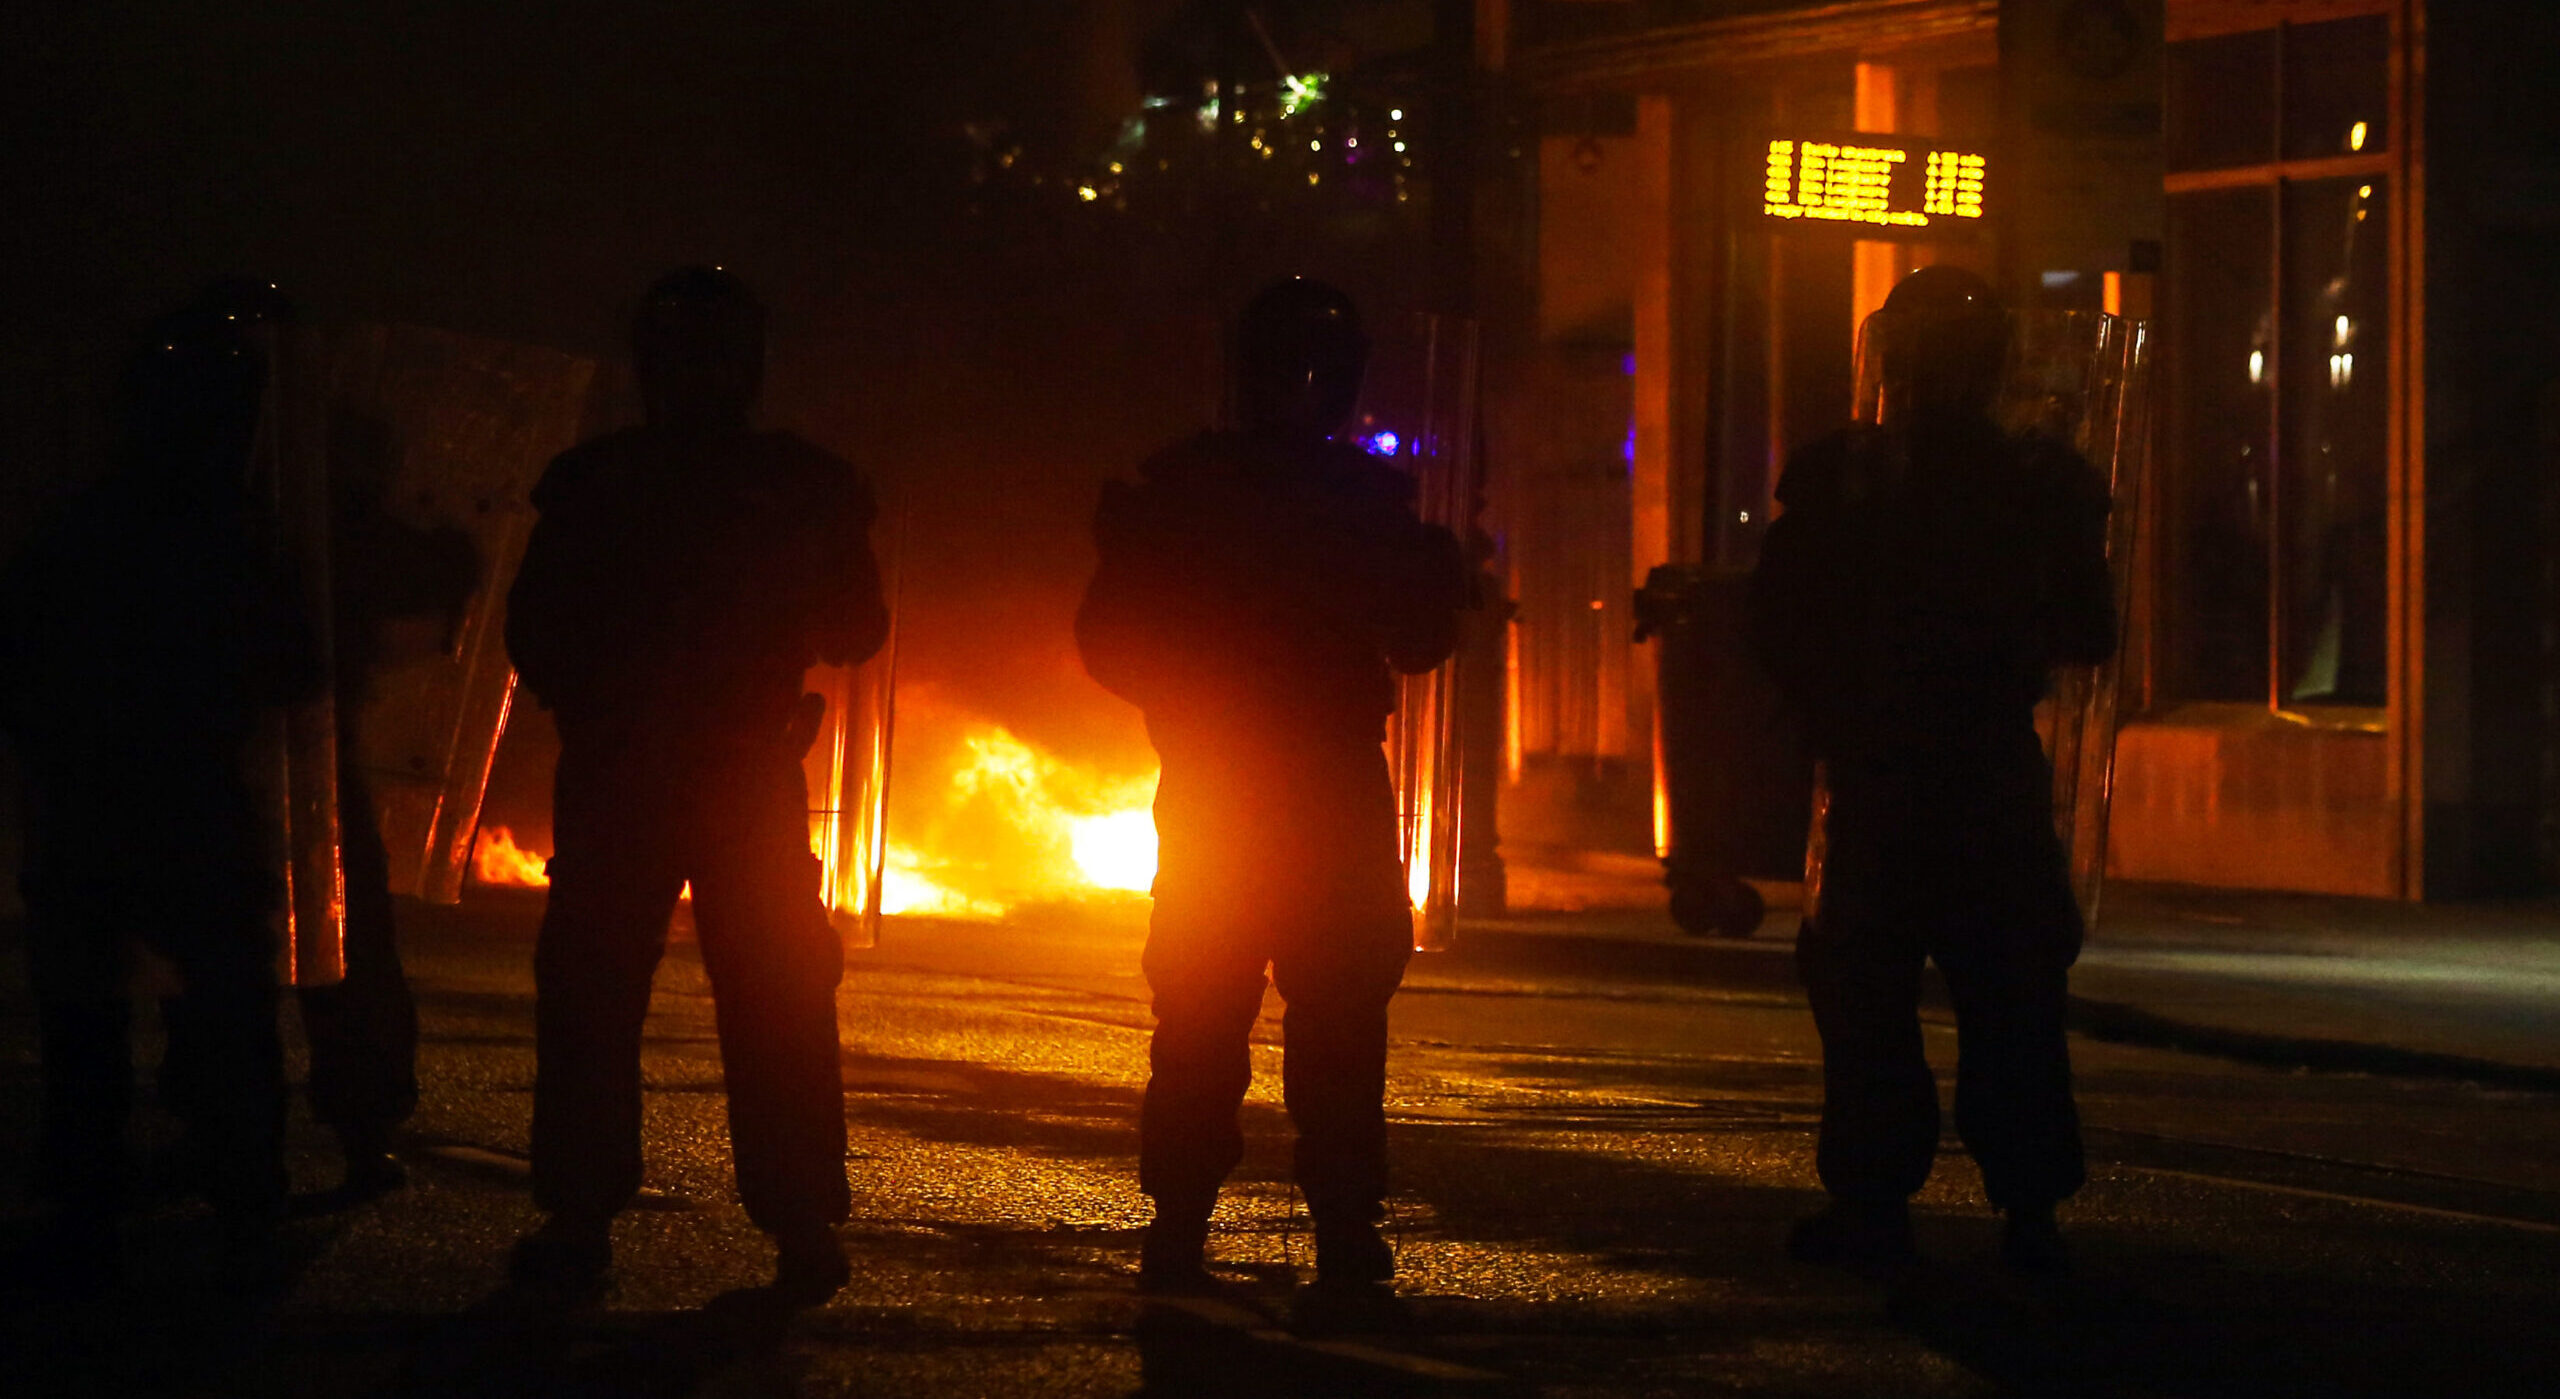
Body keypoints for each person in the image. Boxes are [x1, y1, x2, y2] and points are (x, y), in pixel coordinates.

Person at [1076, 277, 1469, 1293]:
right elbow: (1116, 638)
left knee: (1244, 1006)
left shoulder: (1201, 486)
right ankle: (1273, 1225)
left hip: (1252, 777)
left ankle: (1235, 1226)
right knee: (1262, 1009)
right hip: (1283, 779)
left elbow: (1112, 639)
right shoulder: (1323, 497)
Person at [502, 266, 887, 1301]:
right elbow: (859, 627)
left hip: (663, 768)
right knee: (755, 992)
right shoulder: (791, 483)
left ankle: (599, 1214)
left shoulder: (599, 479)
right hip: (716, 769)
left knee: (633, 989)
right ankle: (790, 1218)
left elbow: (534, 631)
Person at [1749, 266, 2115, 1275]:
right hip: (1987, 771)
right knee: (2011, 997)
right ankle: (2029, 1210)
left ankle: (1875, 1203)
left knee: (1867, 996)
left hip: (1882, 774)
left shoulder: (1844, 482)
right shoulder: (2037, 488)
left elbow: (1778, 628)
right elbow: (2090, 627)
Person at [0, 299, 322, 1292]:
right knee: (215, 1004)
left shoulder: (82, 525)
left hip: (97, 796)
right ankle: (238, 1193)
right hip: (185, 798)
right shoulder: (232, 537)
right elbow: (298, 667)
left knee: (93, 1010)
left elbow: (18, 662)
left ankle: (96, 1195)